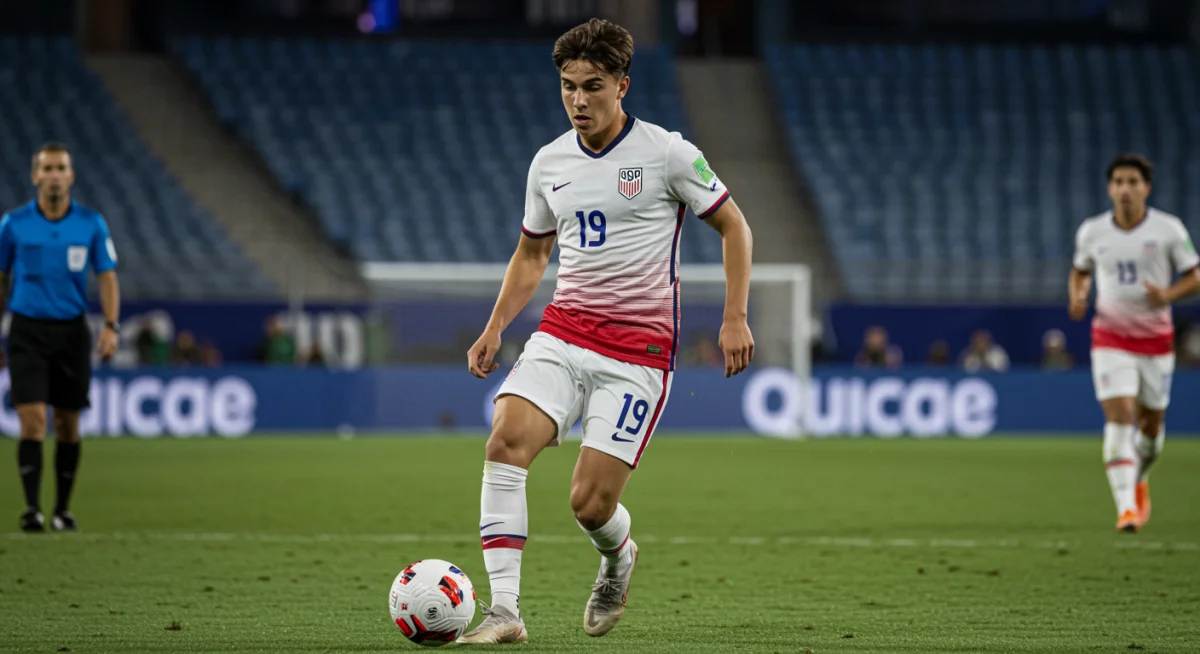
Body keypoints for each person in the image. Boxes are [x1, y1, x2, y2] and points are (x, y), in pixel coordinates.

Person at [459, 18, 754, 644]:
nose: (578, 100)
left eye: (592, 86)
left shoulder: (668, 153)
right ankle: (504, 611)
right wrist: (495, 327)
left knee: (588, 505)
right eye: (567, 86)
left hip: (637, 355)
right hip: (562, 335)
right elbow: (533, 256)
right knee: (505, 439)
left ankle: (618, 558)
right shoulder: (549, 162)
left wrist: (734, 317)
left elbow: (736, 228)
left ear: (622, 85)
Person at [1069, 153, 1200, 533]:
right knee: (1120, 416)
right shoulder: (1092, 232)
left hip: (1156, 343)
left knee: (1151, 430)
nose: (1125, 189)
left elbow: (1195, 275)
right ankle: (1126, 508)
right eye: (1119, 182)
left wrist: (1169, 294)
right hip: (1109, 337)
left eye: (1133, 182)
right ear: (1110, 189)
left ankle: (1139, 480)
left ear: (1146, 187)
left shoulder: (1168, 230)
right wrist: (1078, 295)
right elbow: (1079, 272)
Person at [0, 142, 120, 532]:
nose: (53, 175)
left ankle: (62, 510)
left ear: (71, 176)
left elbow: (106, 276)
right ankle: (32, 509)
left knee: (68, 423)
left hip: (71, 331)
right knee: (33, 419)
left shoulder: (91, 224)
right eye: (47, 168)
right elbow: (0, 279)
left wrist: (111, 326)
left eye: (60, 168)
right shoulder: (13, 224)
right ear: (35, 175)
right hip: (27, 329)